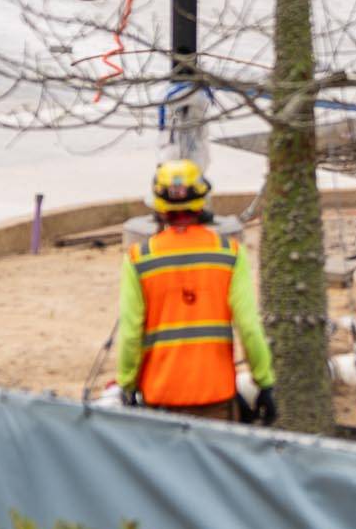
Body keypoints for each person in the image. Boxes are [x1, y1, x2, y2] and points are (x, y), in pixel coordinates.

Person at [115, 160, 276, 423]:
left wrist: (127, 383)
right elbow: (249, 327)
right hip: (216, 397)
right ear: (202, 200)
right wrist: (264, 382)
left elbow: (131, 333)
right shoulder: (230, 254)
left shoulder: (139, 259)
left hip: (160, 398)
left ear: (158, 204)